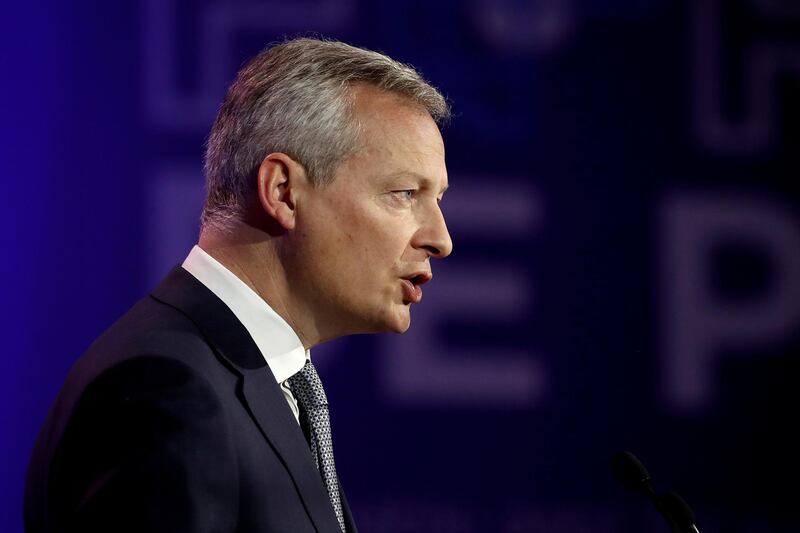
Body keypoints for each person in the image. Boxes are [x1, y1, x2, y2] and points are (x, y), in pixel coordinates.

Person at [24, 37, 452, 533]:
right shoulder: (166, 391)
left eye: (437, 198)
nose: (440, 239)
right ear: (283, 192)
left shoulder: (257, 382)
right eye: (404, 194)